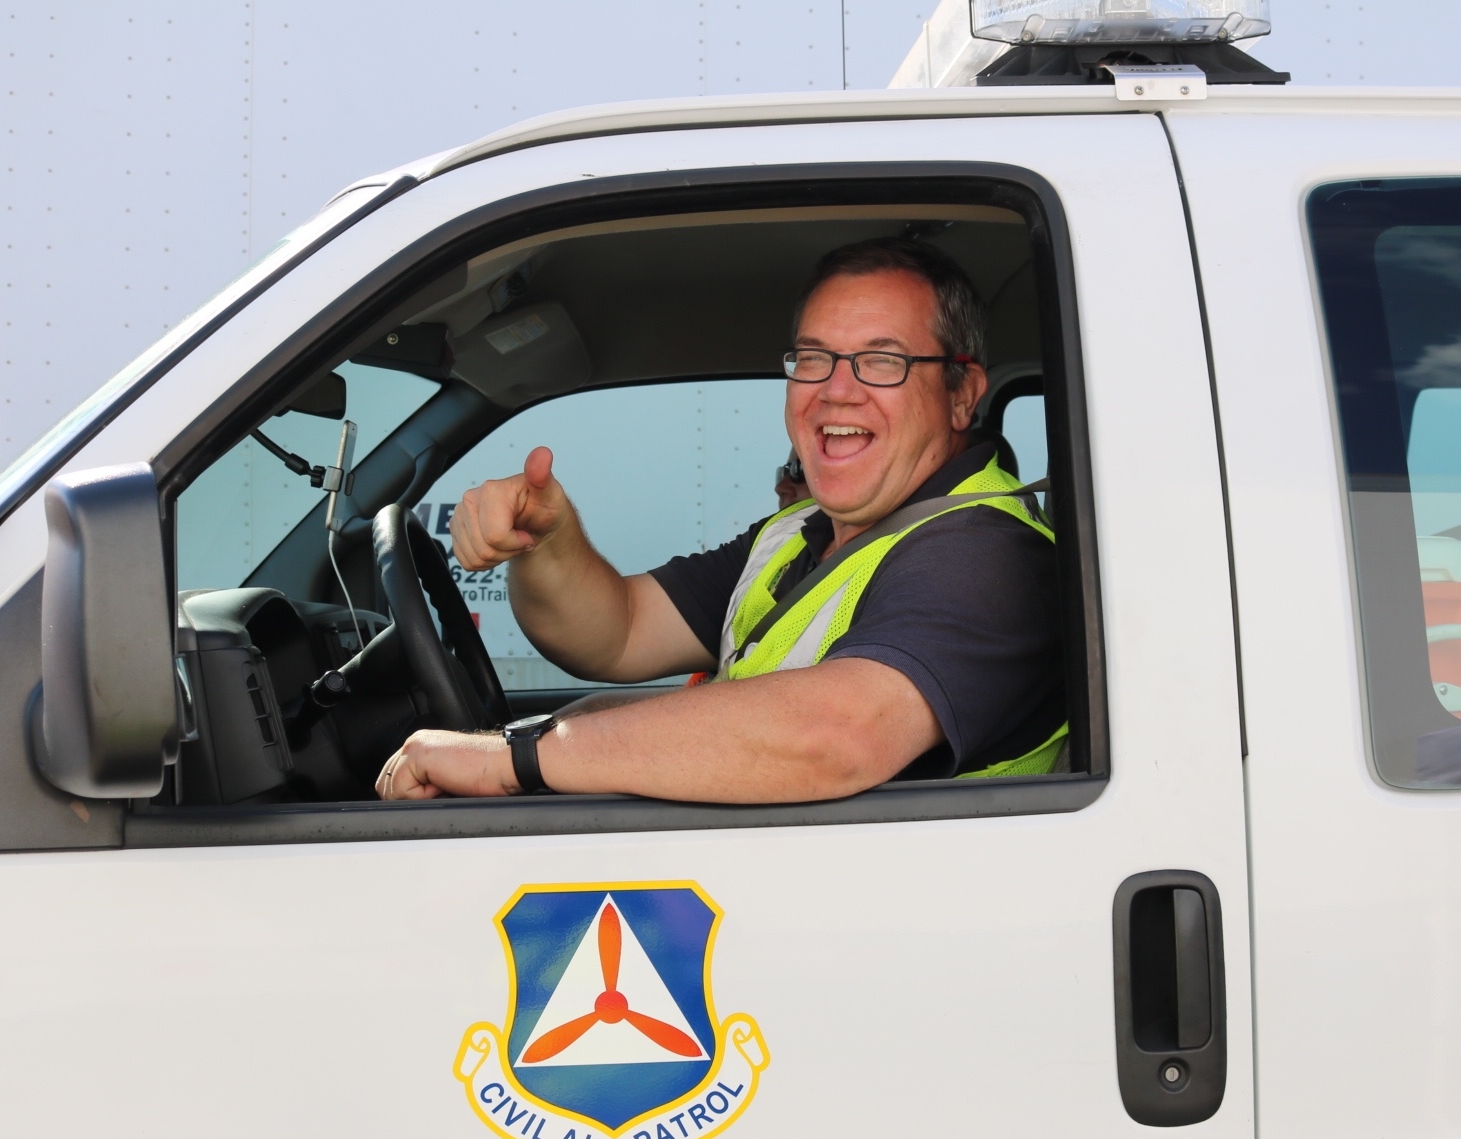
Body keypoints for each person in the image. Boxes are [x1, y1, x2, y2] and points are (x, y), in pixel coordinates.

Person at [375, 237, 1066, 803]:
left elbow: (834, 736)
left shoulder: (984, 555)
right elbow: (616, 634)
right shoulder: (801, 534)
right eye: (815, 357)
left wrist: (519, 757)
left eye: (881, 361)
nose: (835, 391)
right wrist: (544, 540)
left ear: (961, 394)